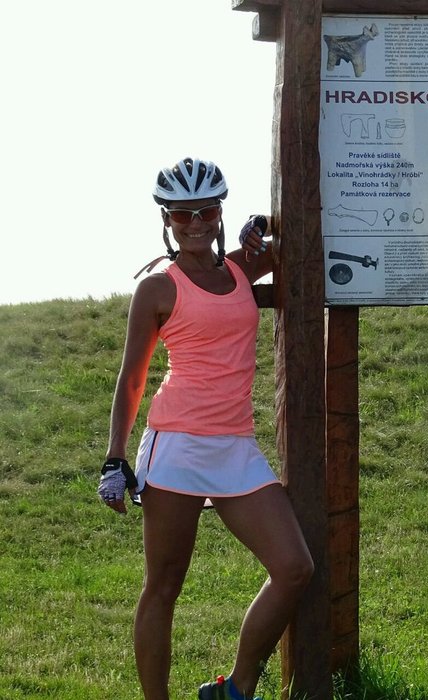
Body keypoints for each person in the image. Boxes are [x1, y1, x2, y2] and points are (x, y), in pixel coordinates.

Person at [98, 157, 314, 700]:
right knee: (164, 587)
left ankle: (235, 688)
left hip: (236, 446)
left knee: (294, 567)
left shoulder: (240, 268)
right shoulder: (157, 288)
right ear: (167, 220)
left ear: (220, 214)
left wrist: (261, 225)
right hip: (176, 447)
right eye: (183, 214)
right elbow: (131, 379)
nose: (196, 223)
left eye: (207, 211)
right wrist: (114, 457)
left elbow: (284, 239)